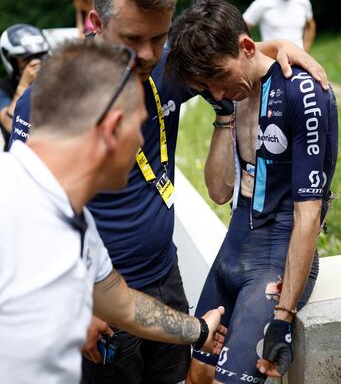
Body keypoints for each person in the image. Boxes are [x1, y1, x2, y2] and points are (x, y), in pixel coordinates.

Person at [9, 0, 330, 383]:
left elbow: (233, 58)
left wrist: (280, 46)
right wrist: (74, 304)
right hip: (96, 309)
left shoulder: (162, 67)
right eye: (133, 38)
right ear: (96, 23)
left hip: (161, 281)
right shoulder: (44, 106)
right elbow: (27, 221)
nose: (147, 56)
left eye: (159, 39)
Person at [0, 40, 227, 384]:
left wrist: (198, 330)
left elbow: (123, 305)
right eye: (137, 126)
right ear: (111, 129)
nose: (141, 141)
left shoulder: (79, 223)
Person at [166, 0, 338, 383]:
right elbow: (219, 192)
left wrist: (283, 318)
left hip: (275, 253)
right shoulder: (228, 89)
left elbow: (307, 214)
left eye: (220, 80)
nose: (219, 93)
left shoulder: (301, 91)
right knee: (195, 374)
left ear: (246, 48)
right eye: (209, 87)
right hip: (235, 243)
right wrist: (223, 115)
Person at [0, 23, 49, 150]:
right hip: (17, 156)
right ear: (11, 61)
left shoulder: (53, 83)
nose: (36, 63)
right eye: (26, 59)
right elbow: (10, 125)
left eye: (39, 56)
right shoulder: (3, 88)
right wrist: (24, 84)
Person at [243, 0, 316, 51]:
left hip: (299, 59)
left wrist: (305, 49)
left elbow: (310, 26)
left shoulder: (303, 1)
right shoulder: (263, 2)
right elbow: (241, 27)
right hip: (273, 60)